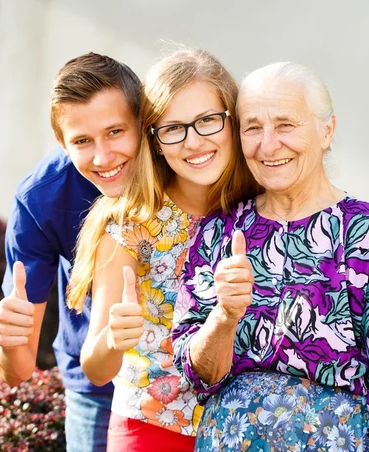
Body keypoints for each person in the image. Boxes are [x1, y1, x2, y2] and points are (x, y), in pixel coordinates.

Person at [172, 62, 369, 452]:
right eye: (253, 127)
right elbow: (199, 375)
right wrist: (224, 316)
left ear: (327, 130)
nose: (268, 144)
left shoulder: (368, 232)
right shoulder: (219, 232)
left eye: (285, 124)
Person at [66, 48, 260, 452]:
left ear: (232, 121)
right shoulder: (131, 224)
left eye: (208, 120)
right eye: (173, 128)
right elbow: (95, 368)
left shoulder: (263, 209)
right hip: (152, 432)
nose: (194, 142)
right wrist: (113, 340)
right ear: (154, 141)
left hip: (246, 432)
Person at [0, 51, 142, 452]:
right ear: (61, 141)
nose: (103, 158)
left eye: (115, 132)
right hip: (96, 385)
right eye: (82, 141)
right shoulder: (40, 200)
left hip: (188, 377)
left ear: (143, 123)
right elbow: (17, 369)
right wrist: (7, 341)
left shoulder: (180, 163)